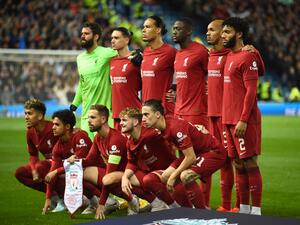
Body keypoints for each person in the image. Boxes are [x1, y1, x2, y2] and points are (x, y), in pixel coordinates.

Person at [207, 19, 265, 212]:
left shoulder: (247, 56)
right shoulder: (230, 56)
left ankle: (256, 213)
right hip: (227, 119)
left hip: (242, 120)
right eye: (222, 32)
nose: (222, 35)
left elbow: (251, 91)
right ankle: (244, 210)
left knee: (249, 162)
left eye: (227, 32)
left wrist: (243, 120)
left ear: (239, 34)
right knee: (238, 164)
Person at [142, 99, 226, 209]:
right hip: (197, 153)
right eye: (142, 115)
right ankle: (182, 209)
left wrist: (173, 176)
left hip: (213, 152)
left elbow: (190, 157)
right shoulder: (163, 125)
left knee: (185, 176)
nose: (143, 119)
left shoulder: (175, 128)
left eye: (146, 114)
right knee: (165, 177)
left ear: (157, 114)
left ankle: (202, 213)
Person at [68, 104, 142, 219]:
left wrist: (101, 204)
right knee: (78, 170)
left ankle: (132, 201)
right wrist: (74, 161)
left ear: (103, 119)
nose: (88, 121)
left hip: (130, 176)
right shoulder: (98, 137)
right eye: (88, 118)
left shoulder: (115, 139)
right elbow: (90, 160)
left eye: (92, 117)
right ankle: (102, 202)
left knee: (108, 180)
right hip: (116, 175)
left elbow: (109, 175)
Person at [172, 17, 211, 207]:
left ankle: (205, 205)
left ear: (188, 31)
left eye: (178, 28)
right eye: (173, 28)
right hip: (179, 112)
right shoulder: (178, 54)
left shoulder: (201, 51)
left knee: (201, 160)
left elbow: (212, 76)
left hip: (196, 113)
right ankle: (190, 203)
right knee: (184, 159)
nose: (174, 31)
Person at [119, 107, 180, 211]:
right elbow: (131, 162)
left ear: (135, 122)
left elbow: (172, 133)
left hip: (170, 172)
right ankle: (158, 204)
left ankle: (174, 207)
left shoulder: (152, 134)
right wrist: (124, 177)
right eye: (120, 120)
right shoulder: (130, 142)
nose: (120, 123)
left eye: (124, 120)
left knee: (148, 180)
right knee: (120, 180)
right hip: (153, 174)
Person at [42, 109, 100, 215]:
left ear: (67, 126)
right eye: (53, 124)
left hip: (99, 172)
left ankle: (107, 200)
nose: (53, 127)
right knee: (60, 175)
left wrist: (55, 172)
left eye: (57, 124)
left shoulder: (80, 137)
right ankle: (93, 202)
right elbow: (52, 171)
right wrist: (48, 198)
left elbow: (80, 163)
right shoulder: (58, 146)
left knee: (73, 172)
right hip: (87, 174)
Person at [70, 22, 118, 139]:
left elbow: (126, 54)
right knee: (89, 154)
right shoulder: (80, 58)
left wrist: (137, 54)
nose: (82, 36)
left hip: (103, 116)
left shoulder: (106, 53)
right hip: (85, 116)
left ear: (96, 36)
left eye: (86, 33)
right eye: (82, 33)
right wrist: (75, 103)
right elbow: (83, 83)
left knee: (105, 153)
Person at [15, 99, 58, 196]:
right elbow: (33, 154)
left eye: (29, 114)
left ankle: (64, 195)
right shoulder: (30, 132)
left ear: (40, 116)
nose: (26, 117)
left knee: (40, 167)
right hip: (48, 165)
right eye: (25, 113)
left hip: (62, 163)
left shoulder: (53, 128)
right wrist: (34, 169)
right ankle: (55, 196)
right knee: (20, 172)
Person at [141, 15, 176, 117]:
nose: (143, 30)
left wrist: (177, 93)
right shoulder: (145, 52)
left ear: (158, 30)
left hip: (164, 112)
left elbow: (186, 73)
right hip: (147, 112)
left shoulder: (170, 52)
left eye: (148, 27)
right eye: (143, 27)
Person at [110, 27, 142, 130]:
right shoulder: (112, 61)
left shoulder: (136, 59)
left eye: (116, 38)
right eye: (112, 38)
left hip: (133, 115)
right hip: (116, 116)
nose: (112, 40)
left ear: (127, 40)